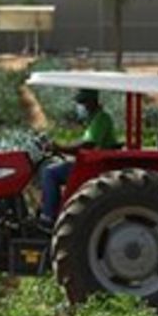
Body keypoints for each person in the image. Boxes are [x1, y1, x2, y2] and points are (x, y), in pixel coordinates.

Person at [39, 89, 118, 224]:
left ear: (92, 102)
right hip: (93, 162)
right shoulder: (95, 120)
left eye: (82, 102)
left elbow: (87, 145)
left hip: (95, 166)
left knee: (50, 173)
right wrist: (62, 148)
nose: (80, 106)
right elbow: (84, 143)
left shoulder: (101, 118)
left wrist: (60, 147)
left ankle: (48, 216)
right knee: (54, 168)